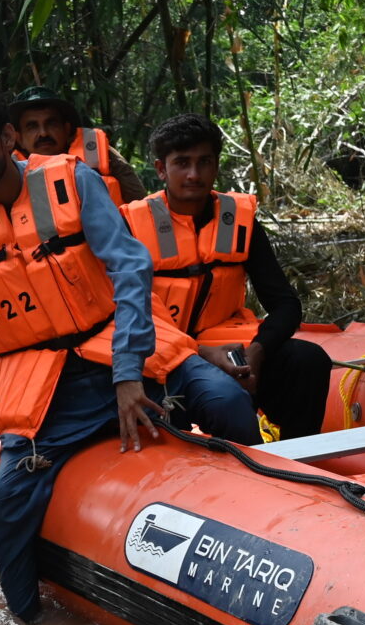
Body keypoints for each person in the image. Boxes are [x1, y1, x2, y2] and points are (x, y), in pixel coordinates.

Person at [0, 79, 256, 622]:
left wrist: (129, 375)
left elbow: (130, 269)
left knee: (225, 401)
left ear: (7, 138)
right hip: (44, 390)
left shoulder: (71, 180)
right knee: (9, 508)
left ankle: (258, 522)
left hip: (127, 352)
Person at [129, 112, 338, 439]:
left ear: (216, 166)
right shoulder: (130, 228)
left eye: (204, 162)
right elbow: (122, 315)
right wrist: (196, 352)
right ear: (161, 169)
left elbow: (285, 304)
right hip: (161, 357)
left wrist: (257, 352)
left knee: (307, 359)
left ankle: (298, 459)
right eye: (182, 163)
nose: (194, 174)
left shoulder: (238, 223)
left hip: (233, 353)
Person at [9, 85, 145, 205]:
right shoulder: (9, 174)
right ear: (19, 139)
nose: (43, 133)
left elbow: (140, 204)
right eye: (32, 127)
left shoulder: (97, 155)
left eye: (51, 123)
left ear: (67, 130)